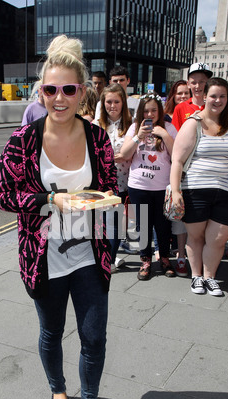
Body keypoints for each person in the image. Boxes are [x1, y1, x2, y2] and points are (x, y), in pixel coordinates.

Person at [0, 34, 122, 399]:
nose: (59, 97)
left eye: (69, 89)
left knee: (94, 336)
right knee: (51, 331)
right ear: (42, 92)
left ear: (82, 92)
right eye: (51, 89)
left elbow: (111, 189)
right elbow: (4, 195)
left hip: (89, 253)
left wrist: (107, 205)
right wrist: (51, 201)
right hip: (43, 256)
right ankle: (58, 391)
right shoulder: (23, 141)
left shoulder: (97, 138)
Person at [170, 77, 228, 296]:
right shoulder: (193, 123)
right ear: (204, 96)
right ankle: (197, 276)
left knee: (218, 239)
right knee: (196, 237)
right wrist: (176, 191)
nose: (218, 100)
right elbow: (177, 160)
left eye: (222, 96)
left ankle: (210, 277)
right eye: (213, 95)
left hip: (226, 190)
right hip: (195, 188)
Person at [121, 92, 177, 280]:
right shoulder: (134, 128)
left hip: (162, 186)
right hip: (139, 185)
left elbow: (178, 154)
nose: (150, 114)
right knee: (143, 225)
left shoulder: (168, 127)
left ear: (159, 111)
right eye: (146, 111)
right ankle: (145, 260)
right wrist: (138, 137)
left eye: (154, 110)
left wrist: (164, 135)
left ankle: (164, 258)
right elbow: (125, 154)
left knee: (163, 225)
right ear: (140, 112)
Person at [93, 83, 132, 272]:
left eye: (117, 101)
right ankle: (100, 256)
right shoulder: (95, 125)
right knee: (99, 223)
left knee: (116, 222)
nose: (112, 105)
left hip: (123, 181)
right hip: (100, 183)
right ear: (103, 103)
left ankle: (109, 260)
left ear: (123, 103)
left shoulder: (131, 125)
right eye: (109, 101)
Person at [164, 80, 191, 277]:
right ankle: (179, 253)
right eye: (179, 93)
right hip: (178, 169)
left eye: (185, 92)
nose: (182, 96)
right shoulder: (174, 115)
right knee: (177, 214)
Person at [172, 62, 213, 131]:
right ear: (188, 84)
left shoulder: (214, 106)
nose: (197, 86)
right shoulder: (180, 108)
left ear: (208, 83)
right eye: (194, 83)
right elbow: (175, 135)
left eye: (201, 82)